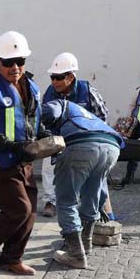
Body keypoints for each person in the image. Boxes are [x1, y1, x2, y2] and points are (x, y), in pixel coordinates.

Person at [0, 31, 50, 276]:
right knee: (18, 210)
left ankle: (12, 258)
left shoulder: (31, 87)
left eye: (20, 61)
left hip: (24, 160)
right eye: (8, 62)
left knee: (31, 212)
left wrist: (48, 139)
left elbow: (33, 122)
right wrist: (14, 146)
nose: (15, 67)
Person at [41, 99, 124, 269]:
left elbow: (49, 113)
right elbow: (100, 189)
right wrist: (100, 206)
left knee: (66, 200)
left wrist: (39, 129)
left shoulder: (58, 103)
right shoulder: (87, 114)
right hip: (111, 146)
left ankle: (76, 255)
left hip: (82, 145)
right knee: (92, 194)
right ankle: (85, 246)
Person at [40, 53, 109, 218]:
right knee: (49, 167)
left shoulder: (88, 91)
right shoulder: (50, 93)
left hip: (84, 140)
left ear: (70, 77)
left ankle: (94, 207)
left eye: (59, 77)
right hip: (58, 137)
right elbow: (42, 117)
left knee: (91, 174)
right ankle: (50, 202)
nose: (55, 82)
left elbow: (102, 117)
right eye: (52, 77)